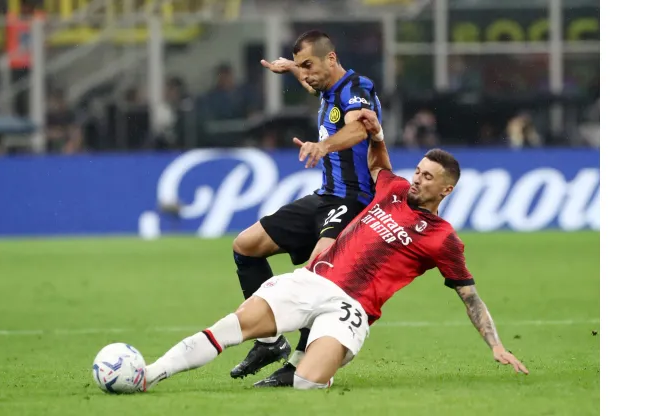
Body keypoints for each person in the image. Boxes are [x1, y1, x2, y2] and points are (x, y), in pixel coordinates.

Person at [140, 109, 528, 392]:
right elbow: (379, 166)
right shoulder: (393, 190)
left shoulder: (443, 238)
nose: (418, 179)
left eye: (428, 177)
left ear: (446, 190)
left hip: (351, 310)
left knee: (307, 382)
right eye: (419, 171)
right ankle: (149, 373)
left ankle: (308, 366)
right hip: (313, 281)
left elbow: (469, 295)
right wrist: (377, 136)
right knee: (228, 328)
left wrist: (496, 345)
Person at [230, 30, 383, 386]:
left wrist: (324, 146)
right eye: (302, 67)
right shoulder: (326, 86)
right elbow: (312, 83)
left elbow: (360, 129)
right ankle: (269, 342)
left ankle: (297, 364)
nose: (306, 74)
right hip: (325, 196)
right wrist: (291, 68)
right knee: (246, 246)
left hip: (354, 201)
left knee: (317, 275)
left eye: (309, 65)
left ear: (331, 58)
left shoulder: (357, 87)